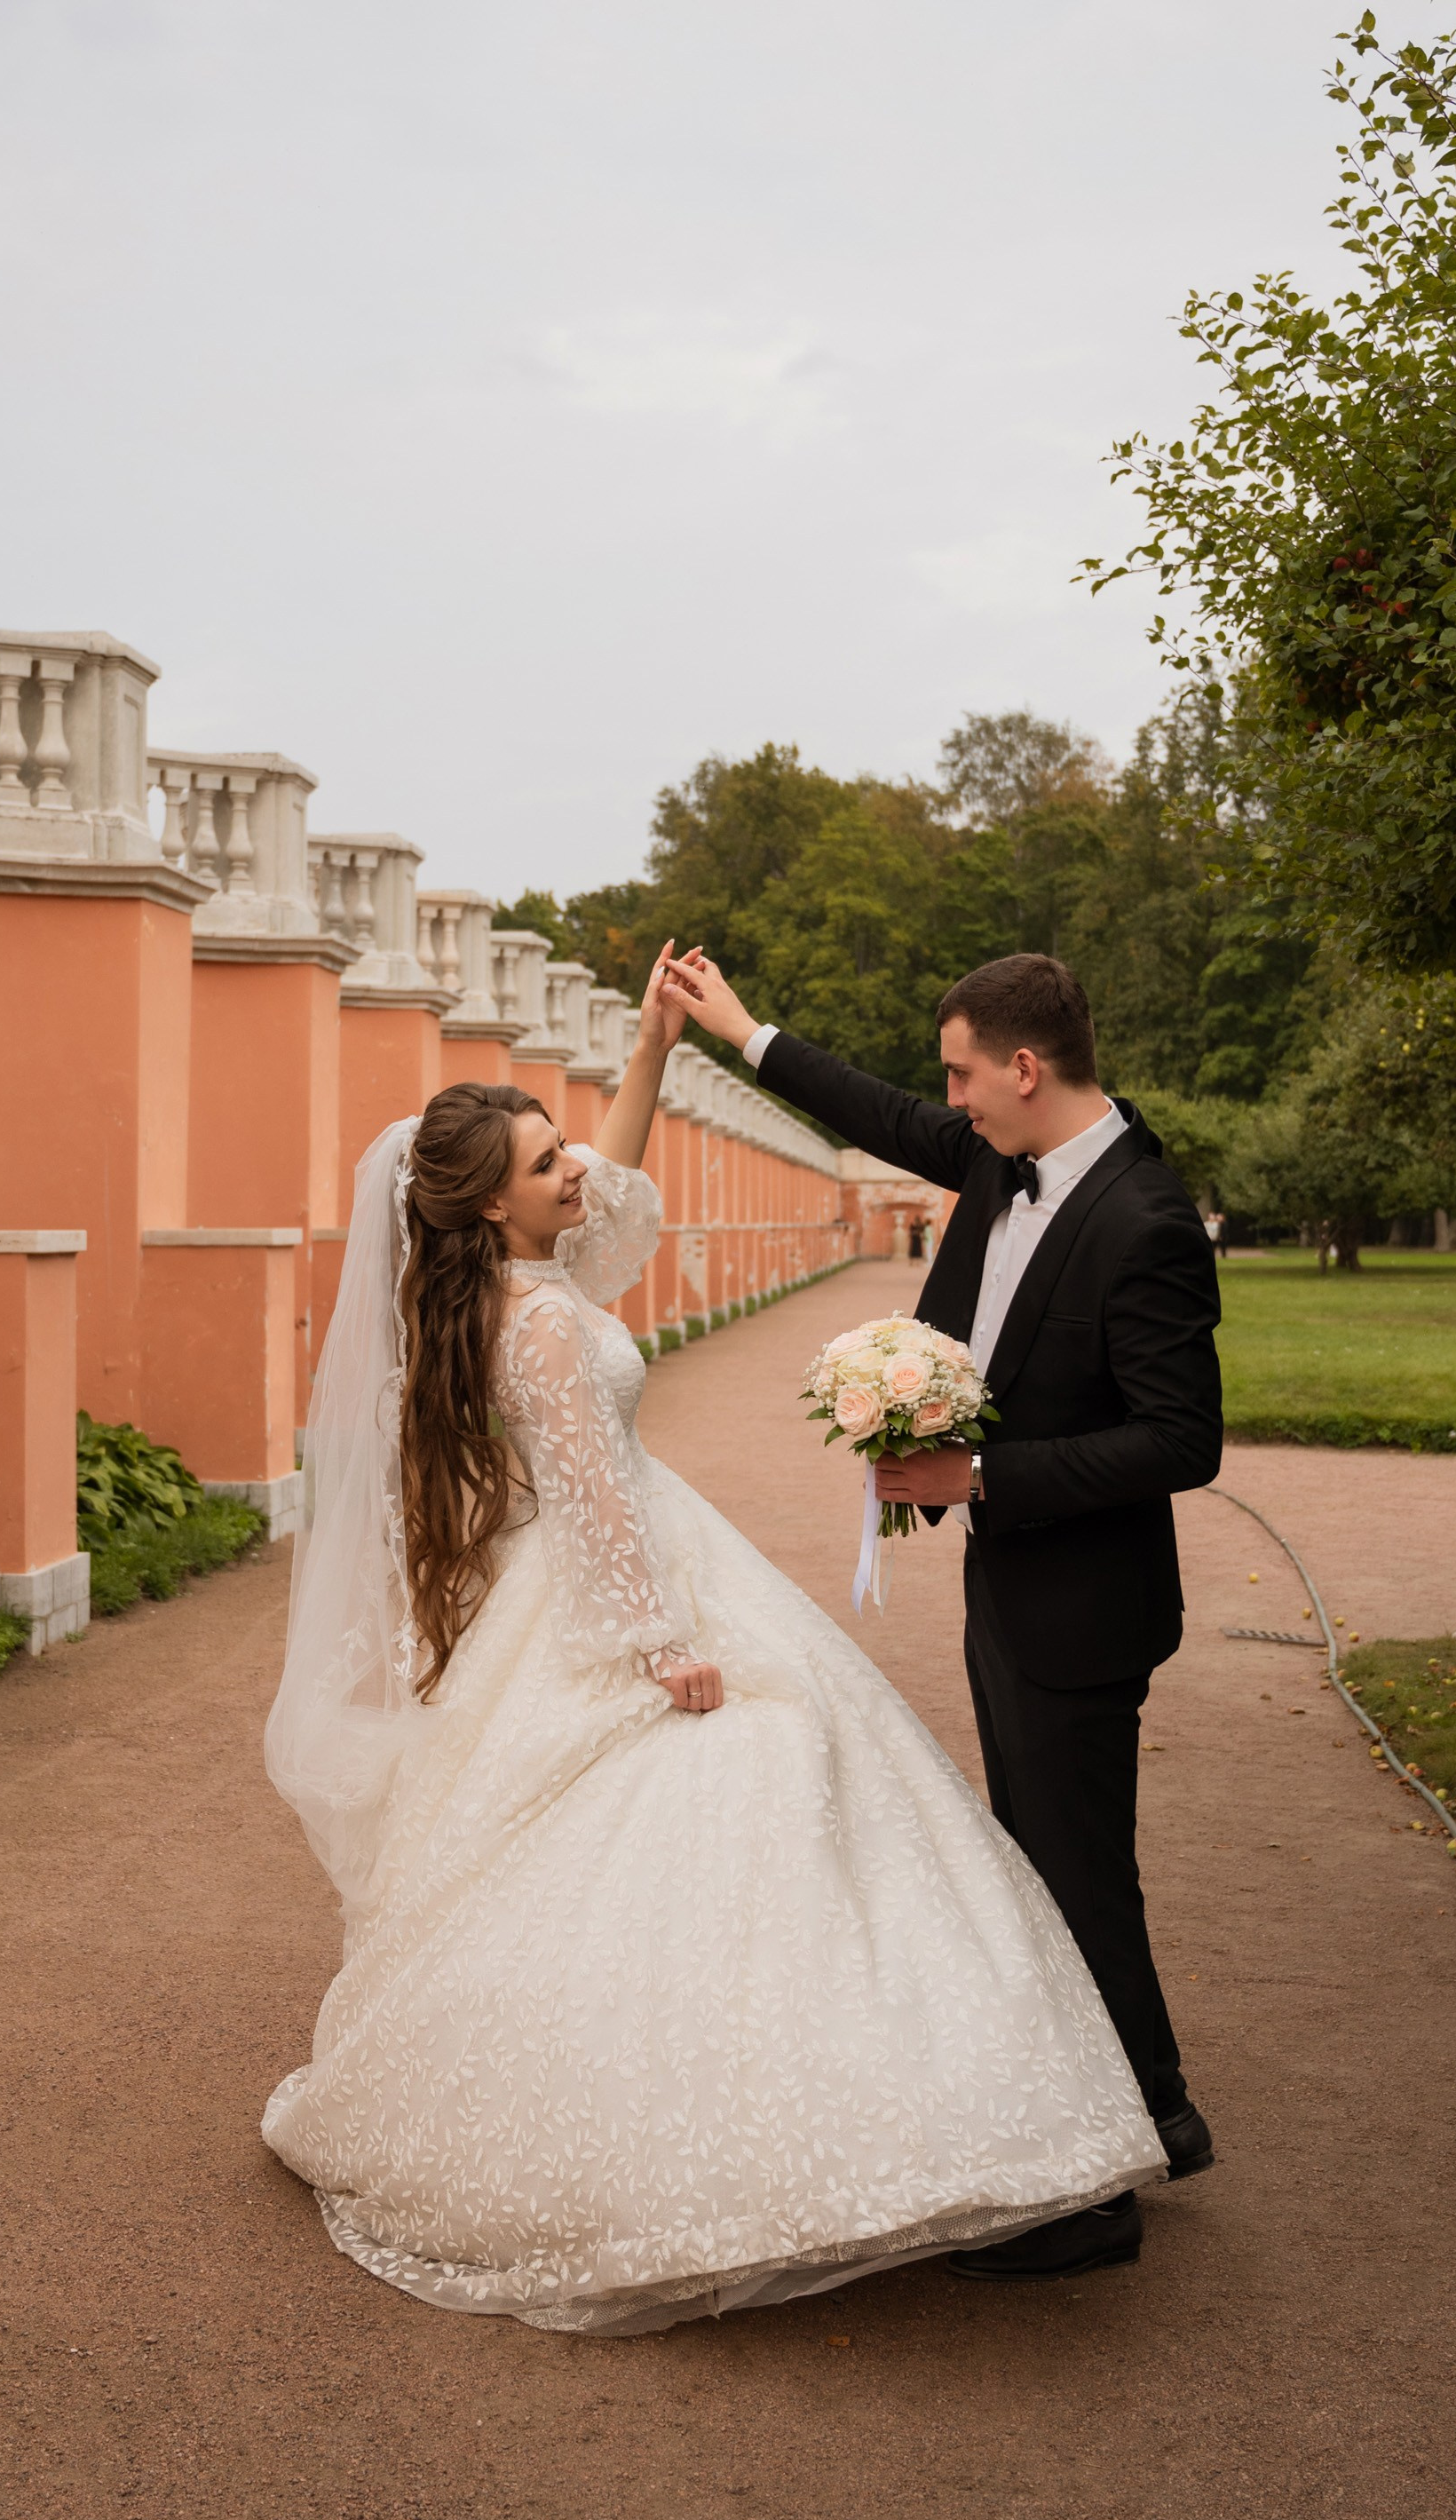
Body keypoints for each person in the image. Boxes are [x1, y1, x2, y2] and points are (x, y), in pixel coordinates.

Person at [261, 943, 1163, 2334]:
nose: (582, 1176)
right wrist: (661, 1649)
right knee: (761, 1787)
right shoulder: (546, 1330)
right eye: (549, 1164)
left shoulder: (521, 1283)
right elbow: (589, 1503)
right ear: (496, 1205)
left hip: (637, 1560)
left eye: (564, 1151)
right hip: (634, 1587)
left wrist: (652, 1057)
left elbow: (613, 1200)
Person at [664, 948, 1222, 2282]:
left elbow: (1181, 1441)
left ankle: (1093, 2196)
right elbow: (882, 1116)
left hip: (1083, 1605)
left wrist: (984, 1477)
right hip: (1014, 1587)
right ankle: (1150, 2108)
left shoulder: (1142, 1218)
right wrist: (745, 1033)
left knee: (1072, 1874)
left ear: (1025, 1068)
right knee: (1052, 1863)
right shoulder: (997, 1158)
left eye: (964, 1073)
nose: (950, 1101)